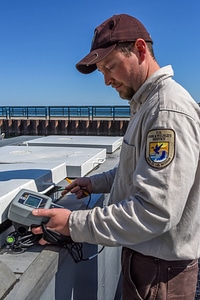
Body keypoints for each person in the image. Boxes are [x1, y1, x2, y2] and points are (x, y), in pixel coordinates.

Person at [32, 14, 200, 299]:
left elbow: (155, 212)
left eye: (110, 67)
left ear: (140, 50)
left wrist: (72, 224)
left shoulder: (165, 111)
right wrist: (94, 183)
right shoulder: (146, 104)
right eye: (101, 72)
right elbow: (134, 169)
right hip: (149, 263)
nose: (107, 80)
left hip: (160, 274)